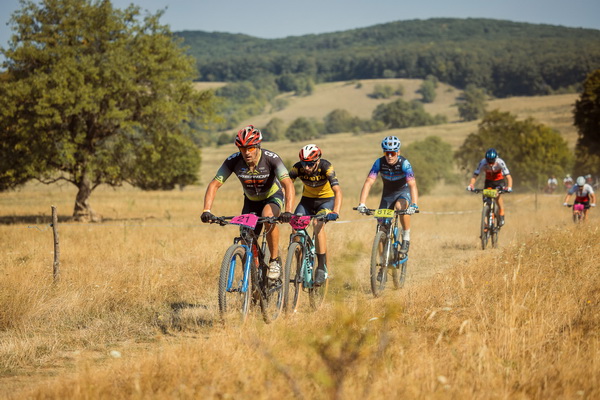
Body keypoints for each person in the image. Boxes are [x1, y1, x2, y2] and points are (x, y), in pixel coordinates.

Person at [201, 125, 295, 279]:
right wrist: (207, 210)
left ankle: (274, 261)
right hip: (251, 201)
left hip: (272, 196)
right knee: (245, 236)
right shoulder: (233, 161)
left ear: (258, 146)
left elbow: (288, 184)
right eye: (242, 148)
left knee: (268, 217)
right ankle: (254, 276)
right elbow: (214, 184)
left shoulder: (271, 158)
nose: (246, 152)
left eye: (250, 148)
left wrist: (288, 211)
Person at [289, 144, 342, 285]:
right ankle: (300, 266)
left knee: (317, 224)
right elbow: (286, 186)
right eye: (304, 163)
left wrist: (335, 211)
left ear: (317, 161)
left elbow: (337, 191)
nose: (306, 167)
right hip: (307, 201)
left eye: (310, 164)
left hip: (326, 201)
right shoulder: (297, 168)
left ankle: (321, 267)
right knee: (295, 227)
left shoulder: (326, 167)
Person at [357, 136, 419, 254]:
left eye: (392, 153)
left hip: (402, 191)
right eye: (386, 153)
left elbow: (412, 184)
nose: (389, 156)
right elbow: (369, 182)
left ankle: (406, 237)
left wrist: (414, 204)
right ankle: (382, 261)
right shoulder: (379, 162)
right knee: (381, 225)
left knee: (400, 207)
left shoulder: (404, 163)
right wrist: (362, 204)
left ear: (398, 152)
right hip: (388, 194)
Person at [467, 148, 513, 226]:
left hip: (499, 181)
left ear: (496, 159)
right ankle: (486, 222)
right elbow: (475, 175)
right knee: (485, 197)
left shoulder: (500, 162)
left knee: (497, 194)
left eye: (492, 162)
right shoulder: (483, 162)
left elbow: (508, 177)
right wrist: (471, 185)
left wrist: (509, 187)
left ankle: (501, 212)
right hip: (489, 182)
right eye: (489, 162)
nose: (491, 164)